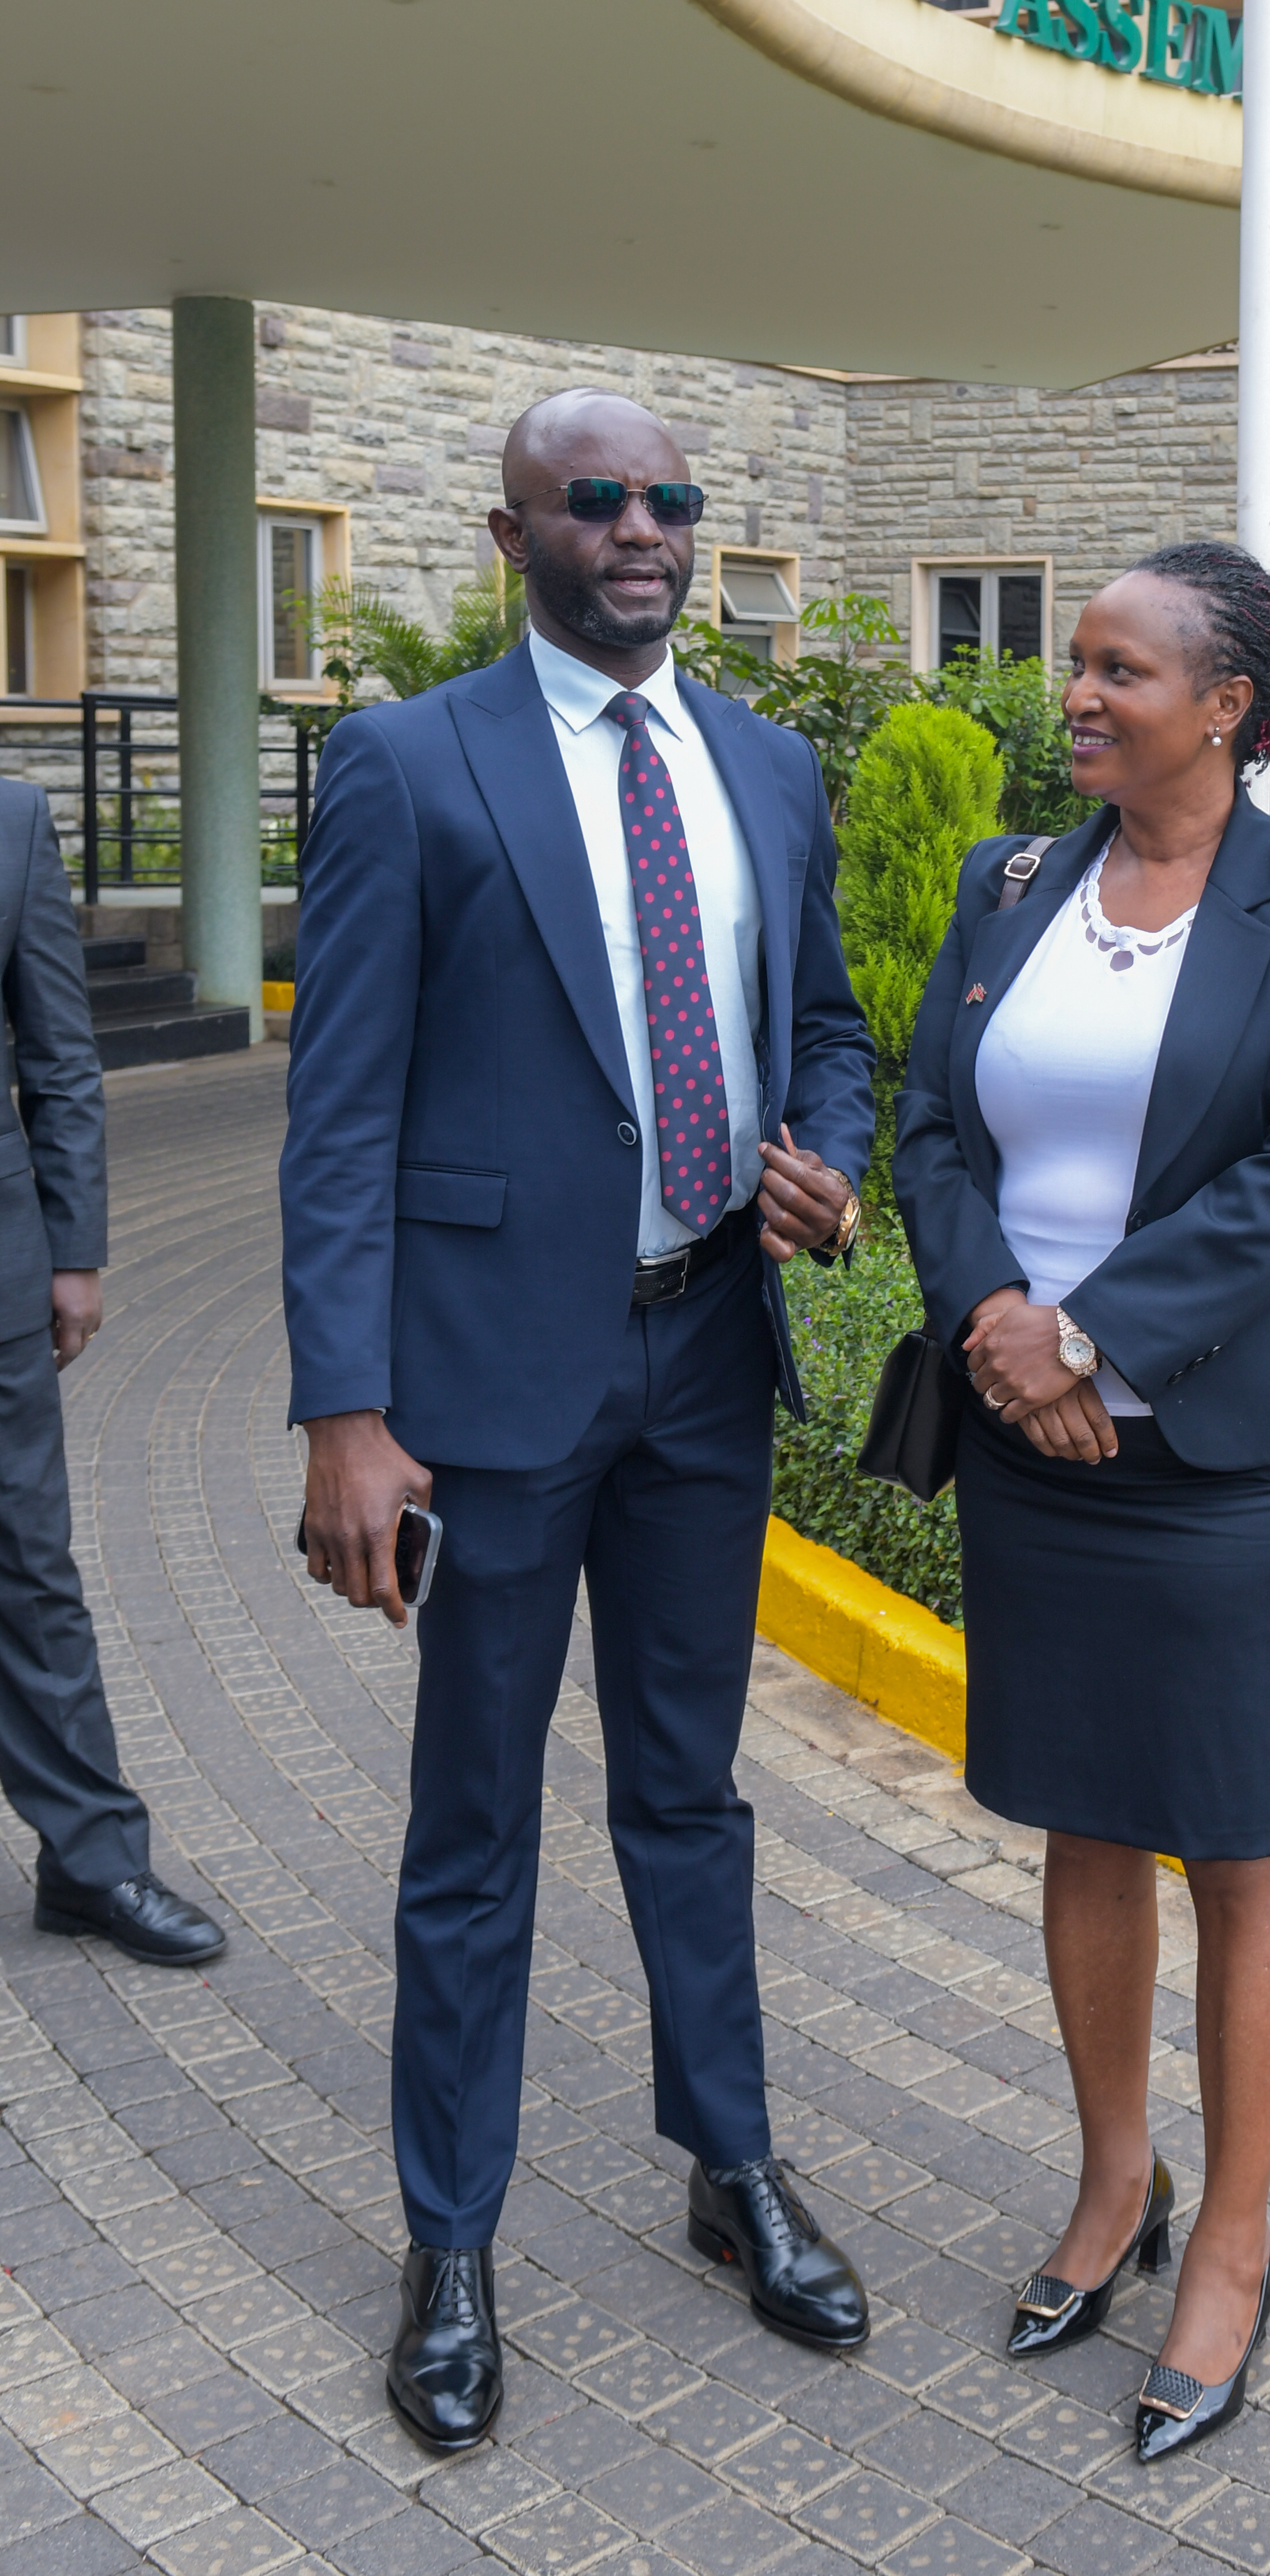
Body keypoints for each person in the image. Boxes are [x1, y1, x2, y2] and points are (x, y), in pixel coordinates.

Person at [281, 391, 877, 2455]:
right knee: (473, 1827)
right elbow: (339, 1110)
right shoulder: (409, 760)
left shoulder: (770, 764)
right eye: (598, 497)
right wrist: (344, 1407)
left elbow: (826, 1027)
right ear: (516, 521)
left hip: (709, 1356)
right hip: (495, 1392)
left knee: (689, 1793)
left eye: (672, 500)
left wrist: (832, 1157)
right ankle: (450, 2239)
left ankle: (731, 2167)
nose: (643, 528)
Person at [895, 542, 1270, 2463]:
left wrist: (1098, 1339)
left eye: (1122, 667)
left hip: (1236, 1461)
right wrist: (992, 1327)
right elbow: (932, 1121)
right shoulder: (1013, 880)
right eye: (1076, 664)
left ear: (1231, 703)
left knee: (1240, 1838)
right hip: (1030, 1443)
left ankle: (1241, 2242)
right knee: (1086, 1818)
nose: (1080, 694)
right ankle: (1117, 2183)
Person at [0, 781, 226, 1967]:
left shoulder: (10, 823)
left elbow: (59, 1057)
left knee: (28, 1569)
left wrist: (74, 1252)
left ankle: (91, 1863)